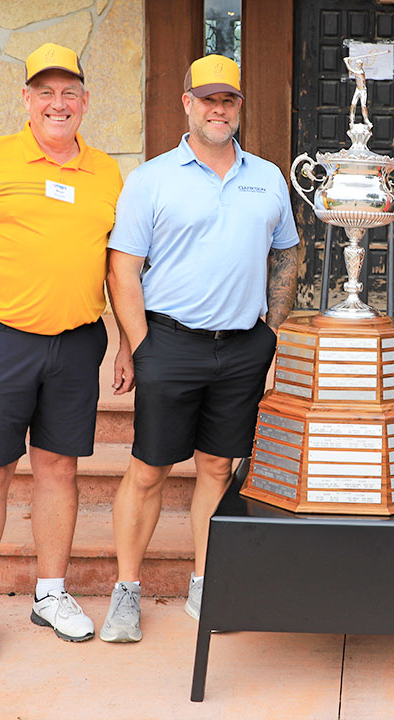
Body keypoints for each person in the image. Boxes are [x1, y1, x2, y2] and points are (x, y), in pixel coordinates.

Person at [0, 43, 124, 663]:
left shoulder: (109, 174)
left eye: (69, 93)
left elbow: (120, 268)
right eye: (45, 92)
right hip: (0, 340)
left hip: (77, 343)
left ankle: (51, 593)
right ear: (27, 100)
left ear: (86, 102)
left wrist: (129, 344)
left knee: (60, 469)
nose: (57, 104)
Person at [99, 54, 301, 643]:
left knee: (218, 466)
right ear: (186, 102)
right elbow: (123, 269)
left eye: (229, 100)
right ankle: (126, 592)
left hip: (242, 348)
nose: (219, 109)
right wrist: (142, 346)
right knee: (149, 469)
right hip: (170, 342)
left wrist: (271, 331)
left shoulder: (267, 176)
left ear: (240, 106)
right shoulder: (152, 179)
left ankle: (206, 584)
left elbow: (286, 252)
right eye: (208, 99)